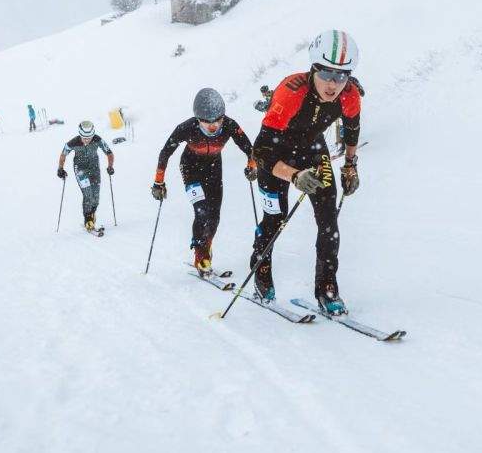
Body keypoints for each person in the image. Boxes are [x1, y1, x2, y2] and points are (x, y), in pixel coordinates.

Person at [249, 29, 364, 315]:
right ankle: (261, 271)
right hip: (276, 154)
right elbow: (261, 150)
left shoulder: (349, 95)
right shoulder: (292, 91)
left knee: (329, 224)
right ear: (313, 68)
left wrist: (350, 165)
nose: (333, 84)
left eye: (341, 76)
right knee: (275, 219)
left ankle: (327, 288)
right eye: (326, 74)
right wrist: (293, 175)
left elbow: (351, 130)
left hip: (313, 150)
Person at [150, 88, 257, 274]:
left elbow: (249, 148)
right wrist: (159, 182)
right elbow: (165, 152)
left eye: (218, 120)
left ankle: (206, 246)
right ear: (198, 119)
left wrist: (252, 164)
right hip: (190, 168)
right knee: (201, 212)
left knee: (214, 216)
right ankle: (201, 255)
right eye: (207, 122)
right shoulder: (186, 127)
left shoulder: (230, 125)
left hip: (214, 169)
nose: (213, 126)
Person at [57, 121, 114, 232]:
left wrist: (110, 166)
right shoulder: (73, 142)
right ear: (80, 135)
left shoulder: (98, 140)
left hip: (94, 169)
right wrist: (60, 168)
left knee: (96, 197)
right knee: (88, 194)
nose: (87, 140)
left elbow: (109, 153)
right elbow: (63, 154)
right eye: (84, 138)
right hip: (80, 170)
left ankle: (92, 213)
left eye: (89, 137)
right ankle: (87, 219)